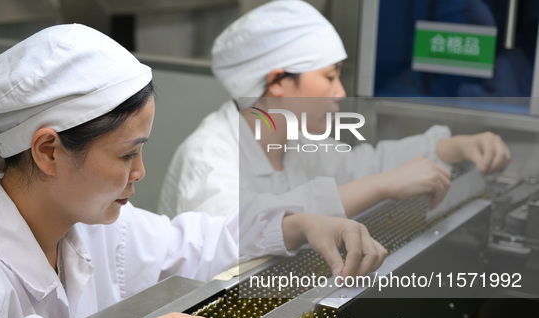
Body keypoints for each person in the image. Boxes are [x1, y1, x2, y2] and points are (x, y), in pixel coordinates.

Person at [0, 24, 387, 318]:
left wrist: (295, 224)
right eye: (126, 155)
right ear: (47, 151)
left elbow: (188, 243)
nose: (139, 171)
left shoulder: (89, 224)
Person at [158, 0, 511, 219]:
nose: (340, 92)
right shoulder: (210, 158)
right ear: (278, 81)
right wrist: (383, 185)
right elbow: (235, 239)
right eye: (329, 76)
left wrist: (451, 147)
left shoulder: (295, 141)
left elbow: (362, 165)